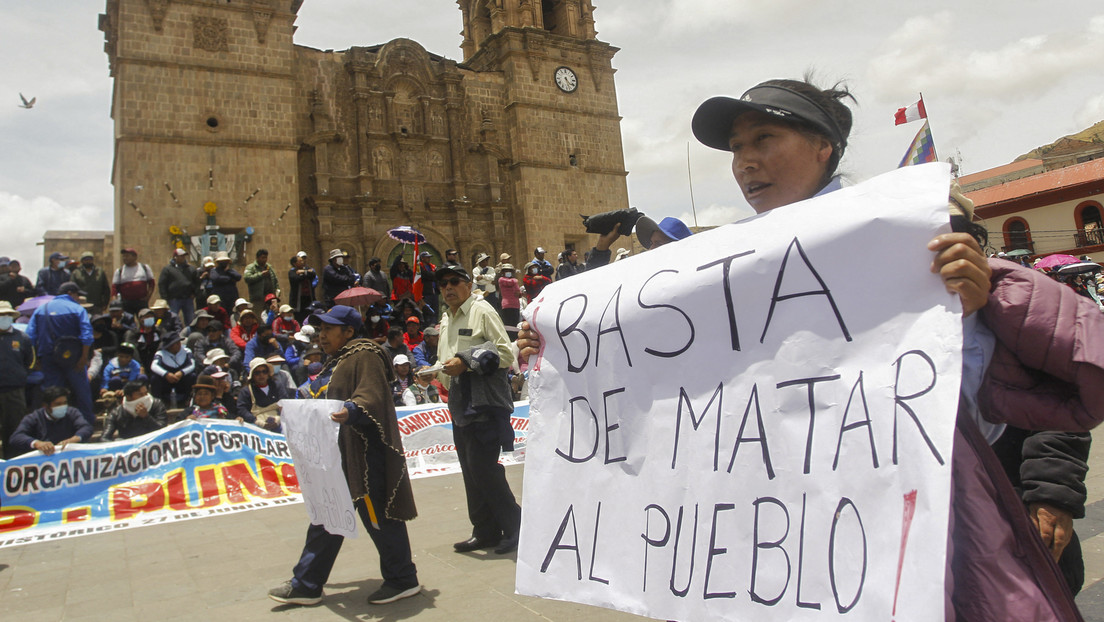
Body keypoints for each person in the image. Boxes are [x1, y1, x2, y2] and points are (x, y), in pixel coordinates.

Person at [519, 77, 1104, 620]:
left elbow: (999, 409)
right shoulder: (712, 282)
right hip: (776, 565)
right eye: (736, 148)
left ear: (824, 145)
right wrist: (561, 352)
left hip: (912, 554)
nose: (745, 161)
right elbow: (671, 402)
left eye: (765, 138)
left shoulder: (914, 252)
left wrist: (971, 315)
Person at [268, 305, 420, 607]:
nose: (322, 336)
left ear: (348, 331)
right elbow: (319, 397)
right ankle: (307, 584)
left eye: (328, 329)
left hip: (364, 456)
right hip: (336, 456)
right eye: (320, 330)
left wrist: (352, 410)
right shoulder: (337, 361)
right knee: (327, 515)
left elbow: (372, 394)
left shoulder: (365, 354)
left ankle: (402, 578)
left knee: (379, 518)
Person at [434, 264, 521, 555]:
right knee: (470, 470)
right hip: (459, 401)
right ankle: (484, 531)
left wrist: (466, 360)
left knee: (483, 468)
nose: (448, 288)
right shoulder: (446, 319)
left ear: (468, 285)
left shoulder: (482, 310)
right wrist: (434, 371)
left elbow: (506, 352)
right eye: (443, 284)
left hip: (484, 400)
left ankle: (516, 526)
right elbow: (447, 364)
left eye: (454, 281)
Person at [26, 282, 95, 425]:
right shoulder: (77, 309)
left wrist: (35, 360)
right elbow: (87, 335)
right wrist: (83, 358)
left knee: (53, 394)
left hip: (48, 359)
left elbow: (30, 337)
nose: (78, 298)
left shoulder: (40, 310)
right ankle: (86, 425)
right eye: (77, 295)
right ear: (71, 293)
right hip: (74, 359)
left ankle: (53, 427)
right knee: (82, 393)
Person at [10, 386, 92, 456]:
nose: (62, 406)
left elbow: (86, 428)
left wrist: (74, 439)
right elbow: (16, 437)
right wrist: (37, 443)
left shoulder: (72, 412)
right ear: (46, 406)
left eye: (65, 403)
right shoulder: (34, 417)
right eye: (58, 404)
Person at [0, 300, 34, 459]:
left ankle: (13, 461)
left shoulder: (22, 337)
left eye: (7, 315)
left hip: (15, 390)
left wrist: (20, 375)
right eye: (1, 315)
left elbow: (30, 361)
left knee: (14, 428)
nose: (4, 317)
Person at [101, 381, 167, 441]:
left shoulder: (157, 404)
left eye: (146, 393)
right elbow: (104, 438)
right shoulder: (117, 412)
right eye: (141, 394)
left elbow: (163, 431)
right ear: (128, 397)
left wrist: (146, 417)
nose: (146, 397)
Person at [237, 357, 286, 431]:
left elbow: (285, 403)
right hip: (256, 423)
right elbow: (242, 409)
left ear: (268, 373)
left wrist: (278, 419)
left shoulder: (277, 386)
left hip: (278, 421)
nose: (261, 375)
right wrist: (257, 422)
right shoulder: (246, 391)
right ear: (252, 375)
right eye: (257, 373)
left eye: (264, 372)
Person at [149, 332, 196, 408]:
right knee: (155, 378)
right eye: (175, 343)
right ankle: (157, 404)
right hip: (166, 382)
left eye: (178, 342)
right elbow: (154, 366)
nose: (178, 345)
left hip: (181, 381)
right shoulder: (160, 353)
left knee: (192, 376)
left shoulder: (186, 351)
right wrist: (166, 374)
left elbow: (192, 365)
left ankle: (188, 400)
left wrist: (182, 372)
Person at [159, 248, 199, 325]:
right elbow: (162, 283)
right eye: (181, 256)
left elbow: (197, 282)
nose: (183, 257)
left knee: (190, 319)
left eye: (184, 256)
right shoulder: (168, 269)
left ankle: (189, 335)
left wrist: (194, 293)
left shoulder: (191, 269)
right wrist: (165, 298)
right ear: (175, 257)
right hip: (173, 299)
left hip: (188, 299)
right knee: (173, 319)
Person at [112, 248, 156, 314]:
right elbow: (114, 288)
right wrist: (115, 302)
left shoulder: (144, 268)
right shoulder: (119, 271)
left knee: (145, 321)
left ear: (135, 257)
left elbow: (151, 284)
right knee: (127, 323)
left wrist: (147, 297)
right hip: (126, 303)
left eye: (127, 256)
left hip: (141, 302)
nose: (124, 258)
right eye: (123, 256)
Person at [208, 252, 242, 317]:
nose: (224, 263)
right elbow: (216, 278)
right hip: (220, 298)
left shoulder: (231, 271)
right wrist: (230, 279)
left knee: (232, 315)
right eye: (222, 261)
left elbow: (238, 277)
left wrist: (228, 271)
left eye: (225, 261)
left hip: (232, 298)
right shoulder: (214, 271)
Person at [287, 252, 318, 320]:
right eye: (300, 261)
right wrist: (306, 273)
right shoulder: (292, 272)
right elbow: (297, 279)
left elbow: (313, 274)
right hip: (299, 300)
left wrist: (304, 272)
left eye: (303, 260)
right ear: (295, 263)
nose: (303, 262)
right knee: (300, 318)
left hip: (308, 298)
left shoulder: (306, 269)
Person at [496, 263, 521, 330]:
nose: (508, 272)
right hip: (507, 305)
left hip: (516, 305)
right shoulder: (501, 279)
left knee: (515, 325)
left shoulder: (514, 281)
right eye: (506, 270)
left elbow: (518, 292)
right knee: (508, 325)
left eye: (509, 270)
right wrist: (515, 281)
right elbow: (511, 283)